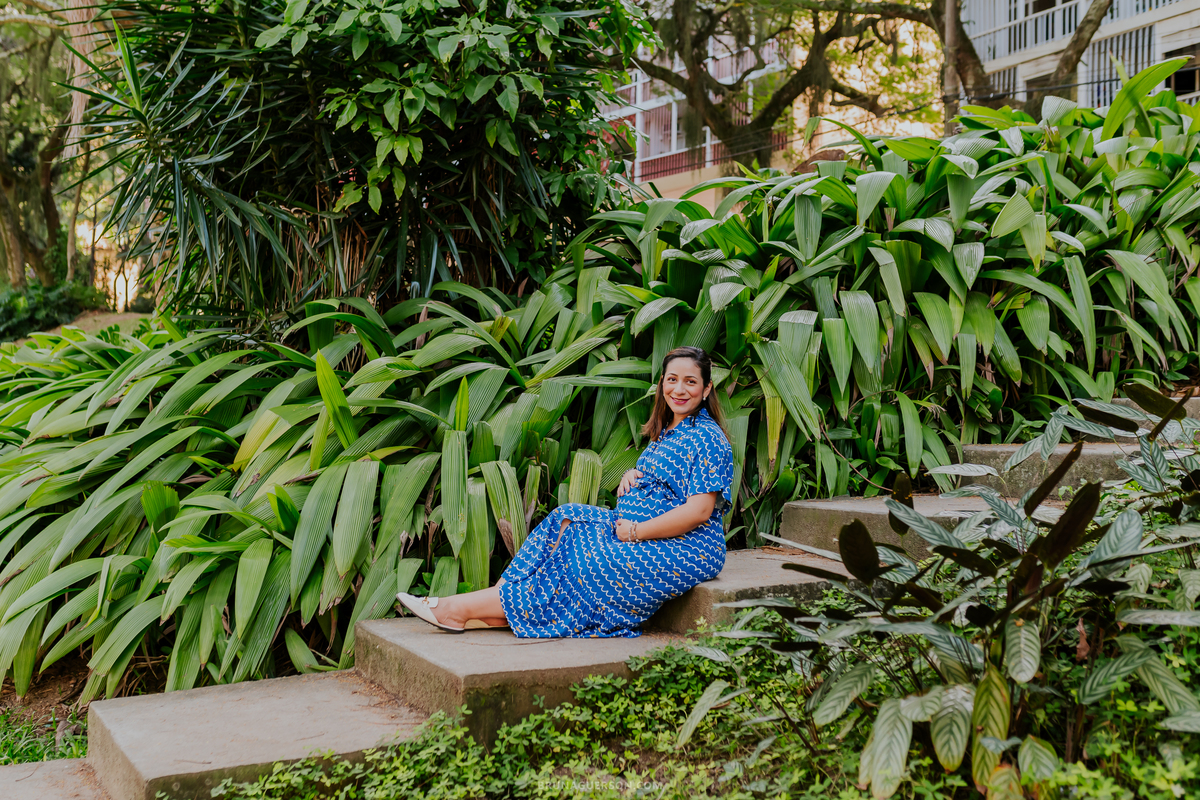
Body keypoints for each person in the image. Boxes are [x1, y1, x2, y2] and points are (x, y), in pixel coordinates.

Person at [397, 346, 733, 637]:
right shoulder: (667, 430)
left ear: (706, 389)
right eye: (672, 379)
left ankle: (458, 609)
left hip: (688, 545)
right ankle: (500, 601)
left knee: (587, 560)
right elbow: (665, 476)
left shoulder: (708, 437)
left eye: (690, 382)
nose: (679, 389)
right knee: (565, 517)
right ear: (662, 384)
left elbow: (699, 510)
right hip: (634, 527)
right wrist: (633, 473)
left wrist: (636, 531)